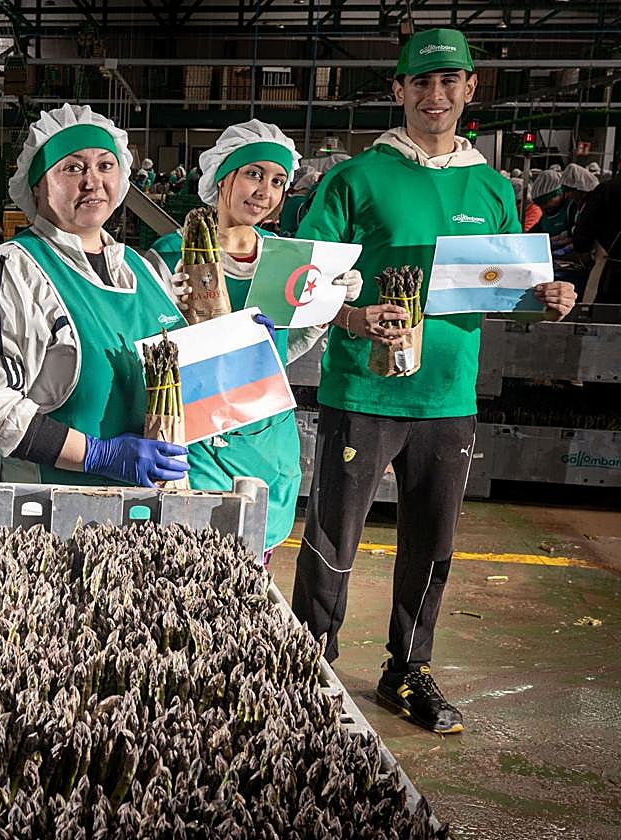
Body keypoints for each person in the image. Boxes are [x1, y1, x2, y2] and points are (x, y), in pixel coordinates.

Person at [289, 29, 577, 735]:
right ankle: (307, 670)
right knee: (333, 538)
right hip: (362, 392)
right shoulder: (355, 179)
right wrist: (354, 318)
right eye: (421, 82)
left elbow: (504, 283)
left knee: (433, 542)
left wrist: (546, 294)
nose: (435, 95)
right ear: (398, 91)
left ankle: (407, 670)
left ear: (471, 89)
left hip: (448, 395)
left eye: (450, 82)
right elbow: (299, 284)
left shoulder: (491, 186)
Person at [144, 121, 361, 554]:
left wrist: (325, 308)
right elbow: (147, 351)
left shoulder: (287, 257)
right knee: (188, 562)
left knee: (252, 573)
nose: (265, 190)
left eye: (278, 180)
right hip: (194, 434)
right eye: (253, 174)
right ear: (223, 176)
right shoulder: (168, 255)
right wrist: (166, 309)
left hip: (264, 438)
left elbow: (289, 348)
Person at [0, 103, 190, 488]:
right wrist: (99, 455)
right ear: (37, 185)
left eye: (104, 166)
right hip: (46, 520)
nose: (92, 181)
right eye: (73, 167)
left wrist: (240, 349)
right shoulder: (14, 270)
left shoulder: (141, 269)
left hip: (145, 517)